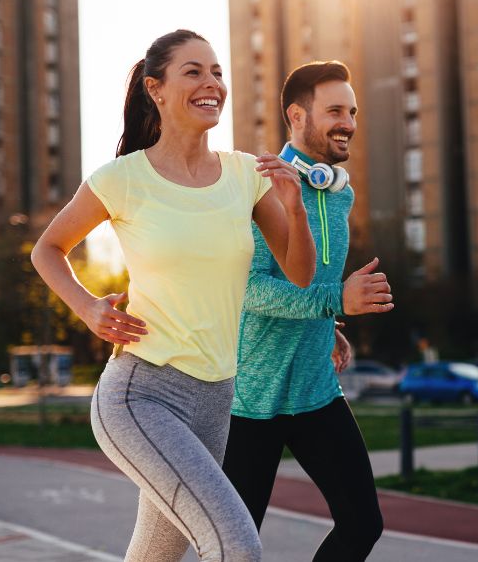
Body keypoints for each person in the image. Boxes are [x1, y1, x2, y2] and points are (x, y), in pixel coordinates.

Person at [31, 30, 315, 562]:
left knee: (155, 557)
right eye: (194, 72)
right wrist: (88, 307)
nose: (212, 84)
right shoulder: (121, 179)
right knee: (235, 546)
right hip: (142, 395)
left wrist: (294, 208)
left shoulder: (245, 175)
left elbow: (299, 274)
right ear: (155, 89)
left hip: (215, 401)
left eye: (217, 72)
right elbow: (48, 248)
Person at [222, 60, 392, 561]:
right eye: (335, 110)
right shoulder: (258, 188)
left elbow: (309, 280)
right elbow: (249, 291)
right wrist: (334, 300)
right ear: (297, 115)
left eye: (353, 111)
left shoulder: (340, 194)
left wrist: (328, 321)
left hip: (317, 391)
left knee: (362, 525)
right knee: (236, 545)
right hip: (251, 400)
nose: (349, 122)